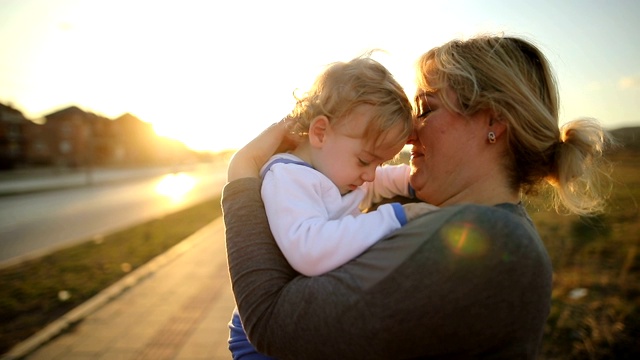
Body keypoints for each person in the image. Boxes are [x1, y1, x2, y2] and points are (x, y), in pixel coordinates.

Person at [222, 34, 614, 359]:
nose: (409, 135)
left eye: (426, 109)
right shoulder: (489, 227)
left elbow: (271, 323)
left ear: (492, 122)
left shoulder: (491, 239)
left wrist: (242, 173)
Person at [228, 56, 438, 359]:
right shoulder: (290, 177)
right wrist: (394, 217)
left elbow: (379, 181)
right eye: (365, 160)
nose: (370, 173)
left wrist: (414, 180)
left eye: (380, 162)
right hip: (259, 343)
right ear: (320, 133)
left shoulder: (337, 173)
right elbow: (309, 250)